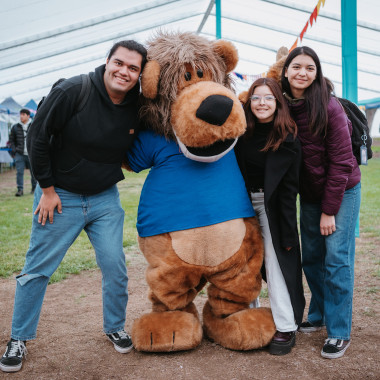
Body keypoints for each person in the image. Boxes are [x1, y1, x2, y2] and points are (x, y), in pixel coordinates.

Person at [0, 40, 147, 373]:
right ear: (107, 62)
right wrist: (47, 190)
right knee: (37, 270)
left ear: (140, 75)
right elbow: (36, 138)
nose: (124, 71)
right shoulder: (73, 90)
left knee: (115, 266)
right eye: (119, 63)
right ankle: (18, 339)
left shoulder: (137, 105)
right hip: (60, 196)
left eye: (133, 68)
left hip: (104, 198)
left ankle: (114, 326)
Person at [280, 46, 361, 359]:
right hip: (310, 193)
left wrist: (329, 211)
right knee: (312, 256)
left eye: (310, 68)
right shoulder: (281, 105)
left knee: (336, 259)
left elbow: (342, 162)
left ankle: (339, 331)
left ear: (317, 73)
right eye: (297, 66)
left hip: (341, 190)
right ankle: (319, 313)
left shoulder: (328, 106)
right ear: (286, 71)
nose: (303, 73)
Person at [235, 77, 305, 355]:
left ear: (278, 103)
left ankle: (286, 326)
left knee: (276, 264)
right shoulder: (240, 133)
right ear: (248, 102)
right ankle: (248, 320)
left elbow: (289, 193)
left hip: (270, 204)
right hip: (239, 204)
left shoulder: (289, 139)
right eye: (255, 98)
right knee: (244, 265)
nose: (261, 103)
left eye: (268, 98)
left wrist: (288, 233)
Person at [9, 108, 37, 196]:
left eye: (23, 114)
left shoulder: (34, 125)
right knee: (19, 172)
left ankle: (34, 188)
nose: (21, 116)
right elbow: (11, 140)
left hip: (31, 154)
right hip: (19, 154)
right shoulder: (15, 127)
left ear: (28, 116)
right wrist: (14, 150)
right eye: (20, 114)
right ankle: (20, 190)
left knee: (34, 172)